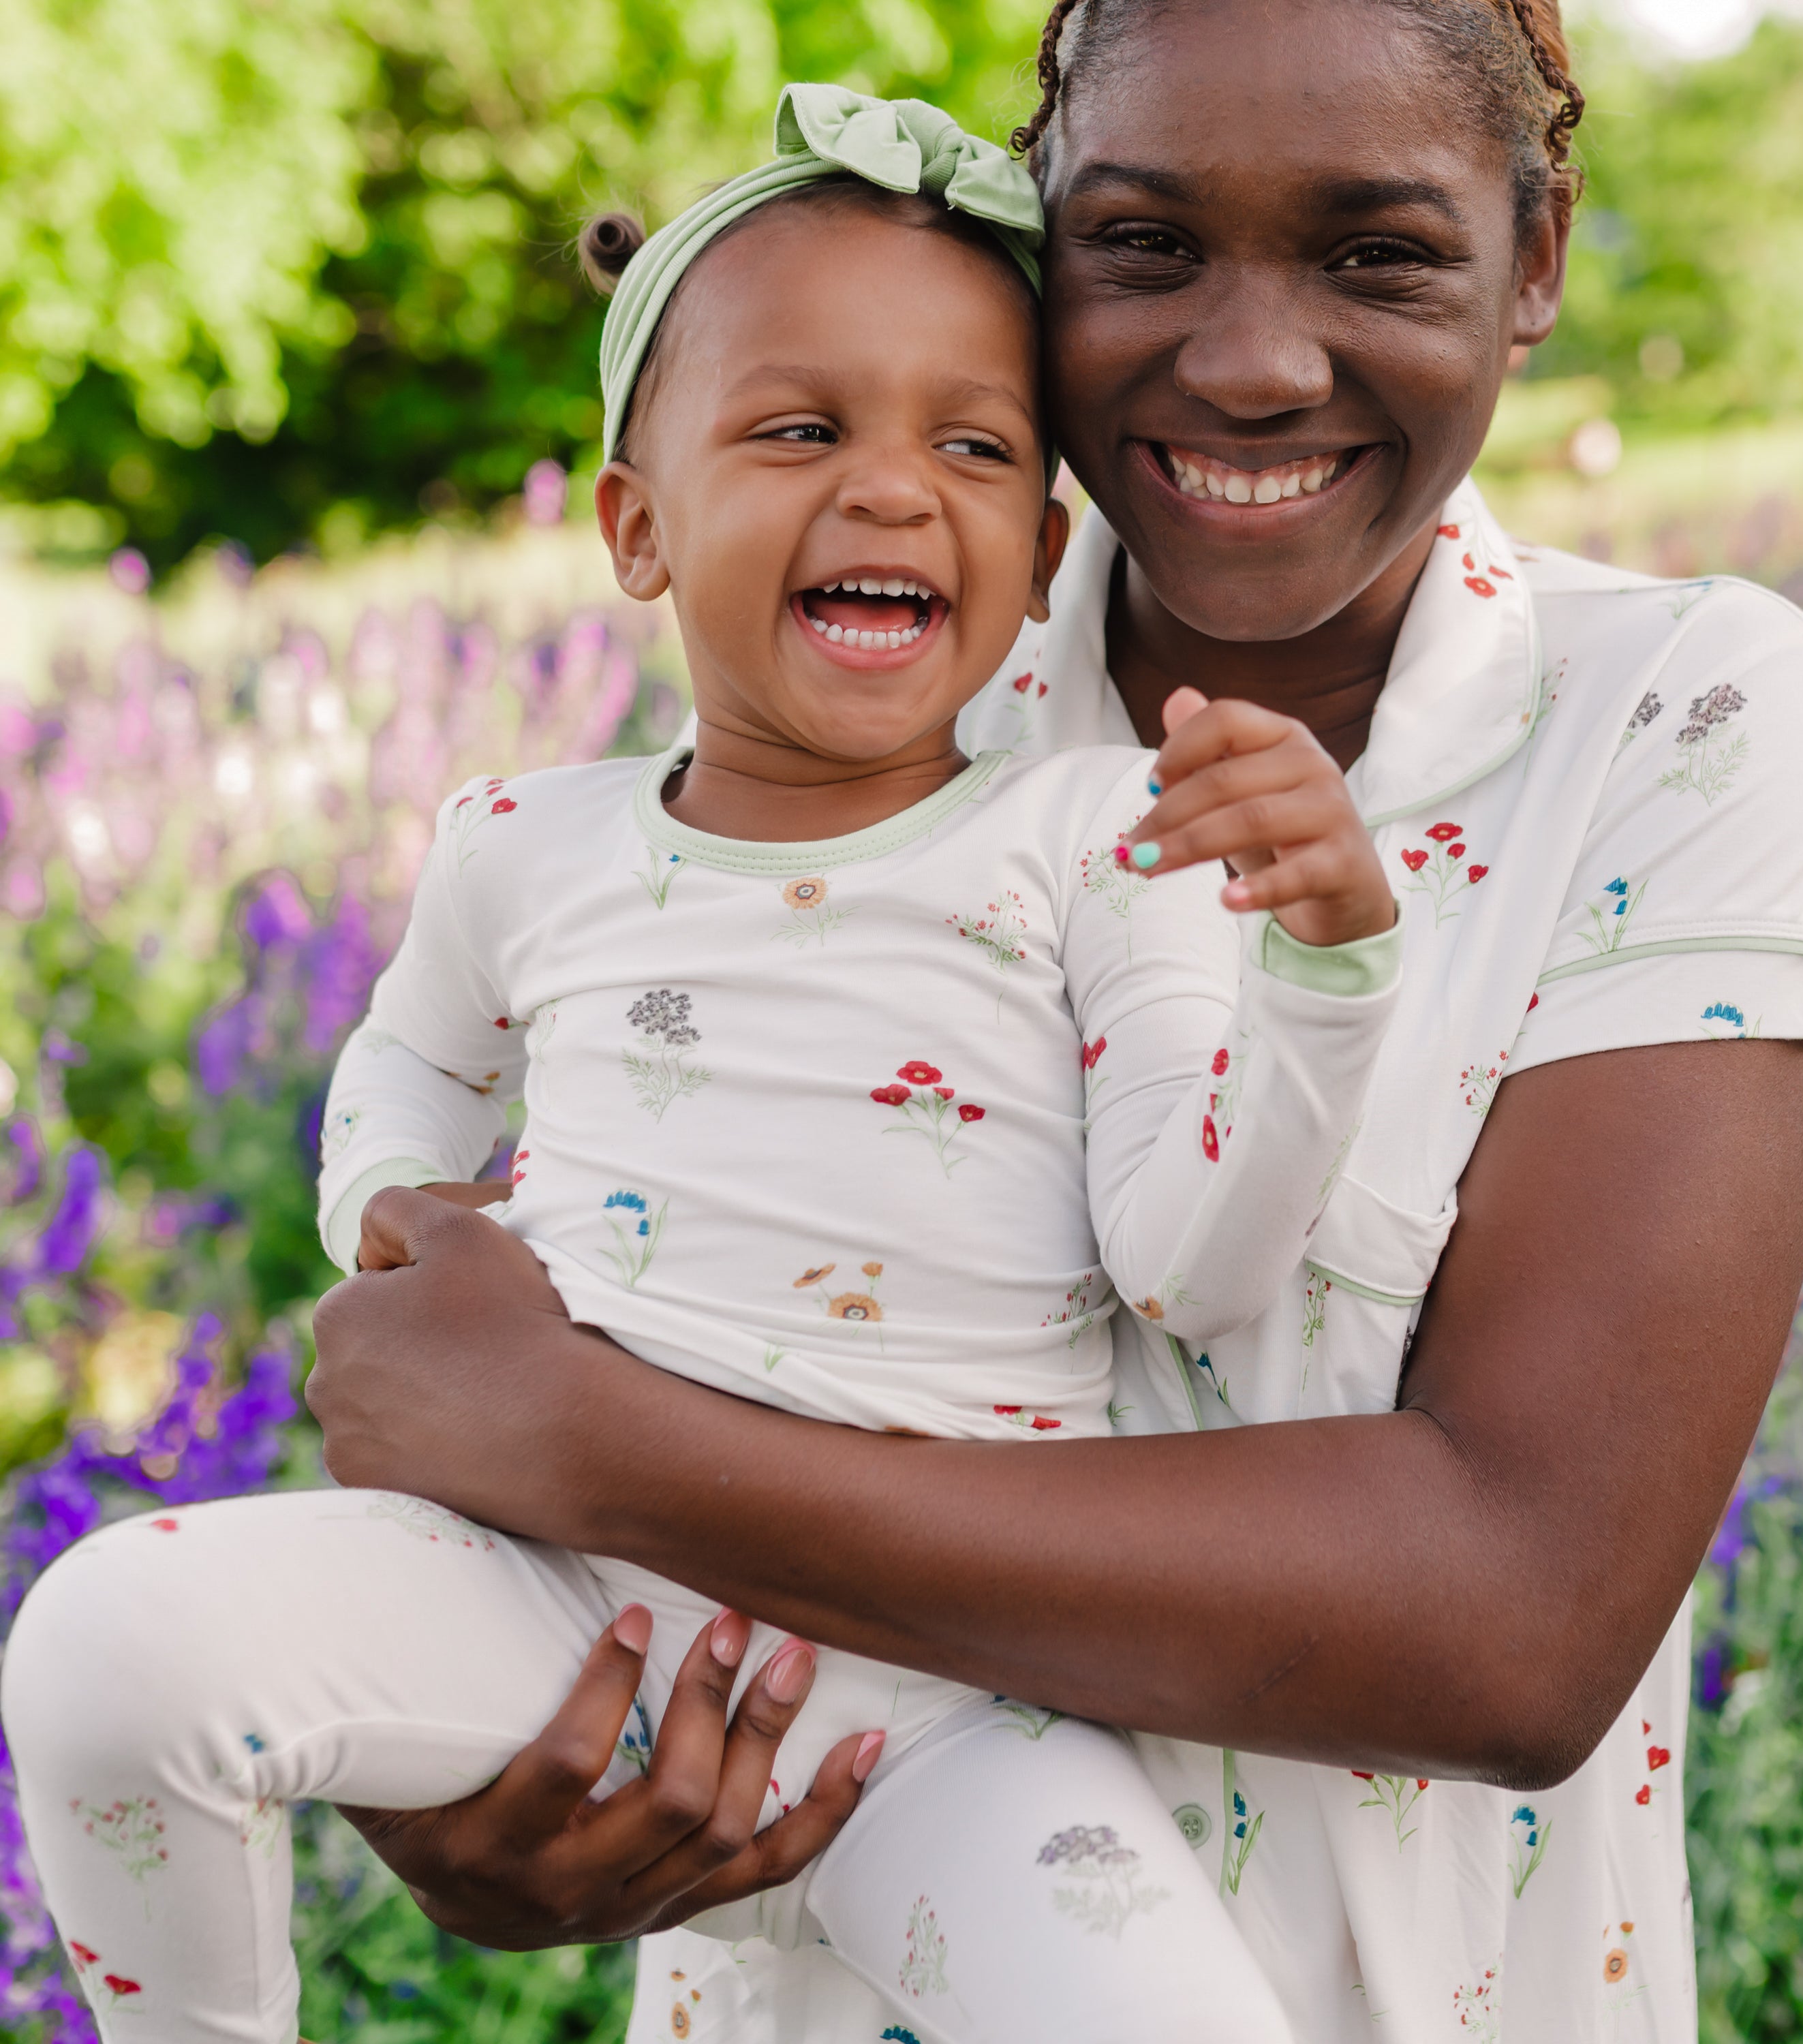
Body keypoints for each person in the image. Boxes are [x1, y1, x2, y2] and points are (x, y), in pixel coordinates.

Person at [303, 1, 1803, 2039]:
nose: (1253, 362)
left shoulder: (1677, 720)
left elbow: (1513, 1623)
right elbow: (565, 1321)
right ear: (1042, 256)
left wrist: (601, 1455)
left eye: (1380, 251)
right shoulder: (874, 699)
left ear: (1535, 258)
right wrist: (473, 1754)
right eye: (1147, 245)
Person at [1, 84, 1411, 2044]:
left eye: (977, 447)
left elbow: (1197, 1264)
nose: (898, 489)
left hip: (955, 1701)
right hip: (568, 1603)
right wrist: (398, 1216)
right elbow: (401, 1074)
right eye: (801, 429)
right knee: (100, 1641)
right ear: (635, 529)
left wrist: (1331, 979)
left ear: (1039, 541)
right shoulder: (526, 844)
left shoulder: (1097, 839)